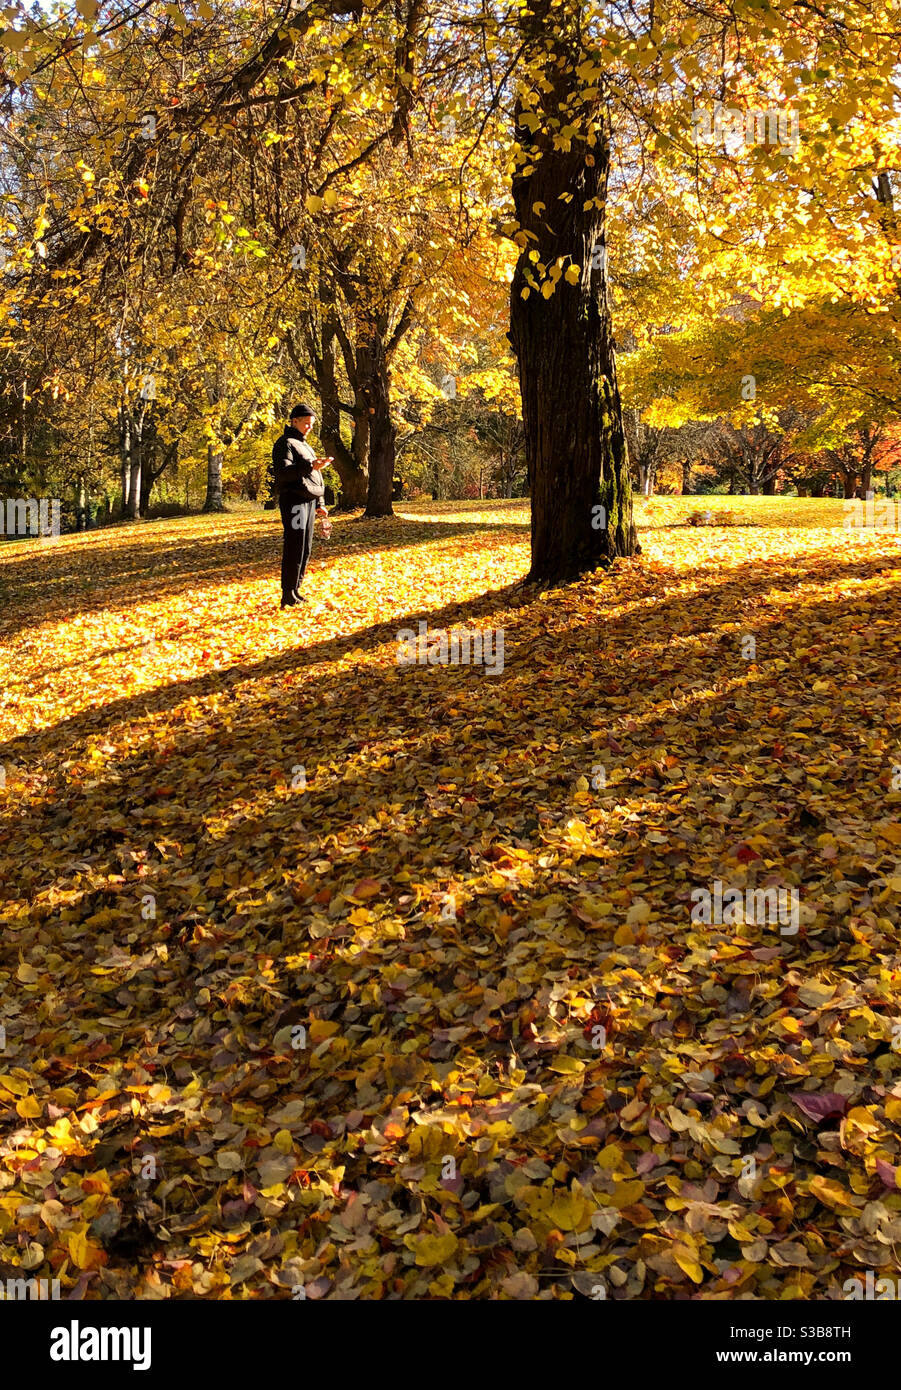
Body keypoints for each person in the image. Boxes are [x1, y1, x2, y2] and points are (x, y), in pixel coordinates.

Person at [271, 404, 332, 608]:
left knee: (305, 547)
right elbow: (284, 474)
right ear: (294, 420)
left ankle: (296, 590)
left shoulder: (305, 445)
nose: (309, 427)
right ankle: (287, 594)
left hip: (308, 502)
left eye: (312, 424)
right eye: (306, 423)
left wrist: (320, 504)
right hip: (293, 502)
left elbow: (315, 478)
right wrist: (310, 465)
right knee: (294, 545)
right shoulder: (284, 444)